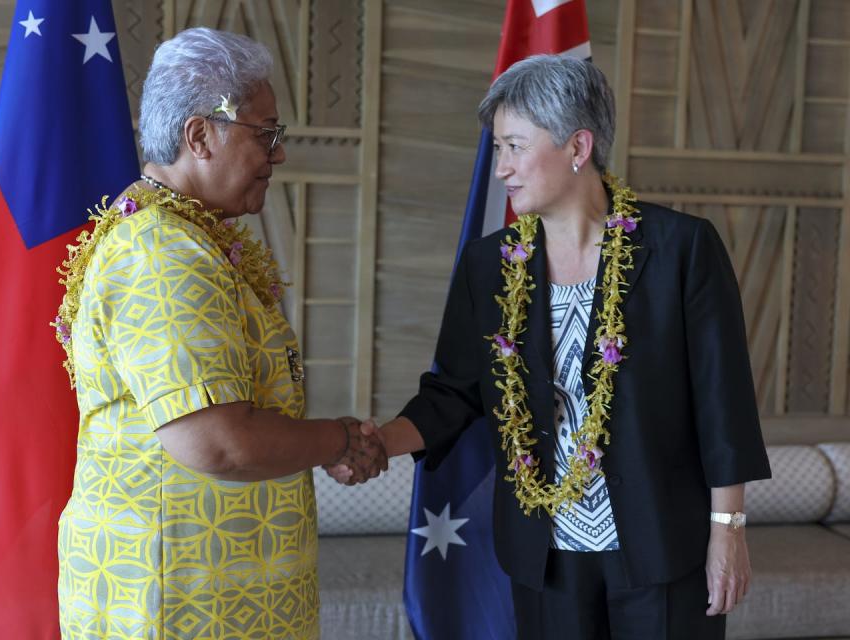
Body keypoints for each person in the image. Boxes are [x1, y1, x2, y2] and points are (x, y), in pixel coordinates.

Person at [327, 54, 771, 640]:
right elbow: (454, 393)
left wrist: (728, 529)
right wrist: (377, 442)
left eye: (514, 146)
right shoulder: (488, 265)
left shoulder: (681, 249)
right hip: (545, 556)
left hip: (662, 548)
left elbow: (724, 404)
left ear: (577, 147)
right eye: (499, 149)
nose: (502, 169)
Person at [53, 28, 386, 640]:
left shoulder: (187, 237)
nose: (279, 154)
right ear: (199, 136)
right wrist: (338, 440)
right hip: (175, 602)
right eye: (266, 133)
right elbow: (219, 444)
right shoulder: (162, 254)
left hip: (213, 596)